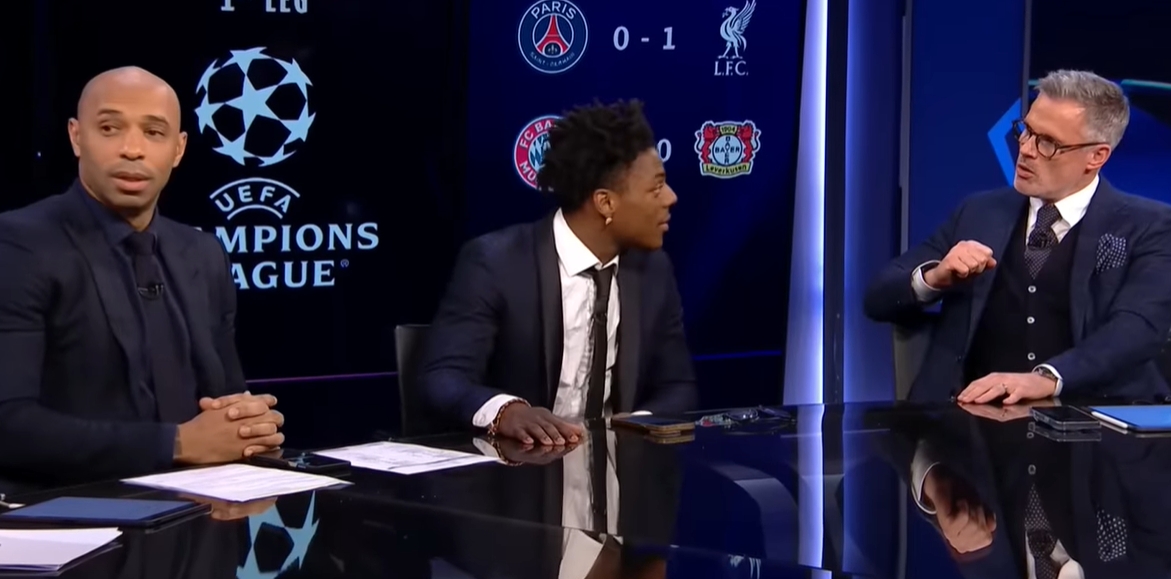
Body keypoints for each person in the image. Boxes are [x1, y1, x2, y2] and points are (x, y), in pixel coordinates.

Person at [0, 66, 284, 493]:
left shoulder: (203, 253)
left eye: (154, 132)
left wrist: (249, 426)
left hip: (201, 509)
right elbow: (8, 423)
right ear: (76, 137)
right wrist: (177, 443)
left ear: (178, 149)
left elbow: (227, 395)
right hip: (69, 510)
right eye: (110, 128)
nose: (132, 149)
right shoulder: (18, 244)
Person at [865, 69, 1171, 404]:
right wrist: (935, 277)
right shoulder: (980, 212)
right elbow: (878, 298)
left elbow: (1137, 328)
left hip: (1090, 421)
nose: (1025, 150)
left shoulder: (1149, 226)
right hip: (965, 418)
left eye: (1048, 143)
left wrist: (1048, 379)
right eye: (1026, 131)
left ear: (1096, 156)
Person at [418, 99, 698, 444]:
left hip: (617, 466)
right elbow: (443, 378)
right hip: (519, 465)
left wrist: (635, 427)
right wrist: (506, 412)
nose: (671, 197)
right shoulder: (495, 262)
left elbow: (677, 385)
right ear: (605, 202)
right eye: (656, 187)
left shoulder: (653, 270)